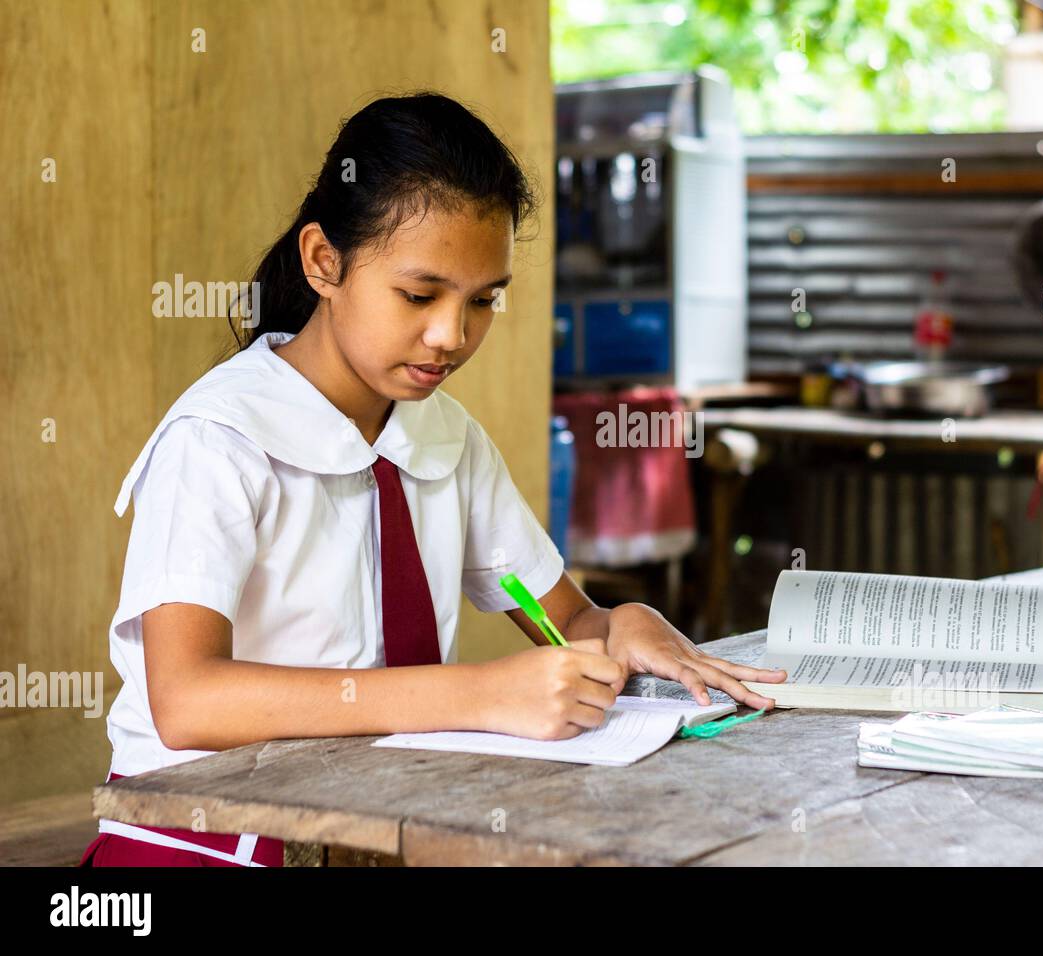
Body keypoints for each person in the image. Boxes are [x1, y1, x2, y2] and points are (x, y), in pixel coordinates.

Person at [79, 91, 784, 867]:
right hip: (207, 837)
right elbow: (186, 700)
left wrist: (623, 622)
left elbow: (566, 620)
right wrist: (481, 695)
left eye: (483, 300)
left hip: (380, 826)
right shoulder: (219, 440)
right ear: (325, 262)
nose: (451, 335)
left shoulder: (447, 436)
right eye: (419, 295)